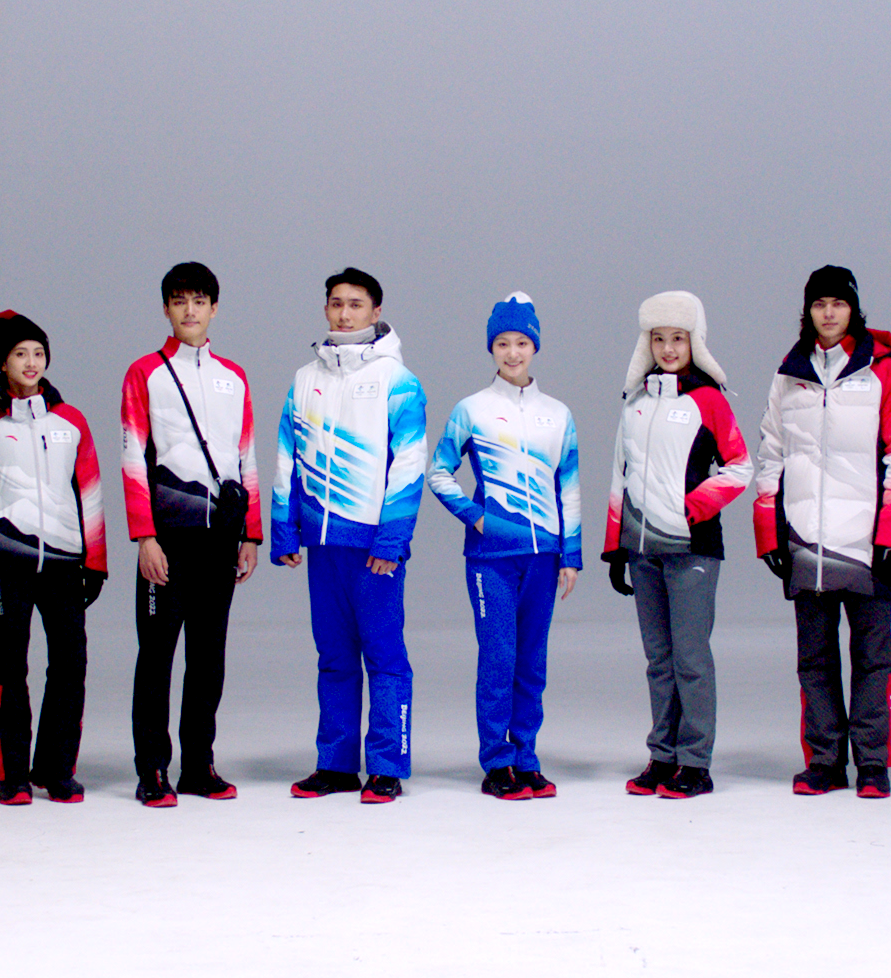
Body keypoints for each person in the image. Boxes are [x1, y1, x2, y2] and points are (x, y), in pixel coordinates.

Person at [752, 265, 891, 799]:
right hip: (807, 542)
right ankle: (825, 761)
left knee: (873, 658)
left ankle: (872, 763)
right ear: (807, 312)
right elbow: (770, 454)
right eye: (819, 304)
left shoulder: (884, 374)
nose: (829, 313)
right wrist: (769, 533)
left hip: (869, 546)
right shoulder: (789, 376)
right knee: (814, 660)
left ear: (854, 310)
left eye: (838, 303)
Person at [0, 311, 107, 806]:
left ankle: (56, 770)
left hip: (66, 564)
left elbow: (90, 492)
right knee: (9, 667)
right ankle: (12, 774)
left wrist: (95, 561)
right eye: (20, 354)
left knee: (70, 665)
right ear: (3, 363)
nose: (31, 362)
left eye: (38, 353)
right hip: (8, 565)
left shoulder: (71, 422)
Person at [271, 267, 428, 804]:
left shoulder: (398, 381)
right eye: (336, 303)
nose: (344, 313)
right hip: (323, 544)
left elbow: (410, 463)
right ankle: (336, 765)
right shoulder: (303, 379)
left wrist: (392, 540)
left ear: (376, 312)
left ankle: (386, 766)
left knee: (384, 655)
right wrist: (285, 530)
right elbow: (287, 455)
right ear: (325, 309)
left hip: (372, 546)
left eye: (356, 304)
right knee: (334, 657)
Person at [117, 262, 262, 807]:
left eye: (200, 300)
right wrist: (144, 537)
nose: (190, 310)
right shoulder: (145, 373)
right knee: (156, 655)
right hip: (167, 538)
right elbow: (133, 457)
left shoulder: (234, 377)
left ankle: (199, 765)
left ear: (214, 308)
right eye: (179, 301)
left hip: (220, 539)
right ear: (166, 309)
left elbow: (246, 457)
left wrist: (250, 536)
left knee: (208, 656)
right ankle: (153, 769)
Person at [428, 293, 581, 801]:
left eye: (521, 343)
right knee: (498, 658)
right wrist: (476, 518)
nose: (512, 353)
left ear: (535, 347)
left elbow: (569, 487)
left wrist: (571, 556)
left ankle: (526, 759)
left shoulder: (558, 415)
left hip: (544, 558)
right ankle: (497, 762)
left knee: (531, 662)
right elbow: (438, 472)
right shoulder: (471, 409)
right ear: (491, 348)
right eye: (502, 343)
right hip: (490, 559)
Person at [603, 291, 751, 800]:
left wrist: (696, 506)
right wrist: (615, 546)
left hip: (692, 549)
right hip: (642, 548)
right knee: (658, 660)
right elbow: (620, 474)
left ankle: (695, 763)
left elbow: (740, 466)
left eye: (678, 338)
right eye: (658, 338)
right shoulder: (636, 402)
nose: (668, 348)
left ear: (695, 342)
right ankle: (662, 756)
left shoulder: (709, 400)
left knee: (690, 659)